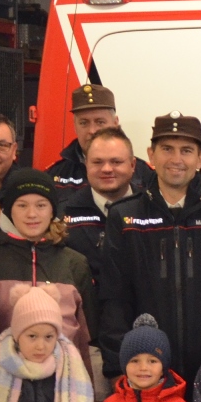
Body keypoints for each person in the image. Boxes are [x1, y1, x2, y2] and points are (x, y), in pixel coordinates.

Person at [99, 114, 201, 384]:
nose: (176, 159)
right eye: (167, 149)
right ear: (151, 154)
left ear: (200, 158)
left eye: (186, 150)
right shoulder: (124, 216)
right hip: (147, 369)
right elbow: (114, 298)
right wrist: (117, 367)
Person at [0, 169, 95, 355]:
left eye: (41, 205)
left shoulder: (75, 263)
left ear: (52, 210)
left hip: (63, 369)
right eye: (22, 205)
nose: (32, 214)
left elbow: (88, 337)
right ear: (9, 211)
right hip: (4, 368)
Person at [57, 127, 142, 301]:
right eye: (97, 162)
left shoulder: (153, 210)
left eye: (116, 162)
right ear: (86, 164)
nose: (107, 169)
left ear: (132, 165)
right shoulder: (62, 215)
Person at [46, 83, 122, 189]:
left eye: (100, 122)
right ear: (75, 126)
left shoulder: (140, 173)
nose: (92, 131)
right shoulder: (53, 175)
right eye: (84, 123)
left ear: (115, 123)